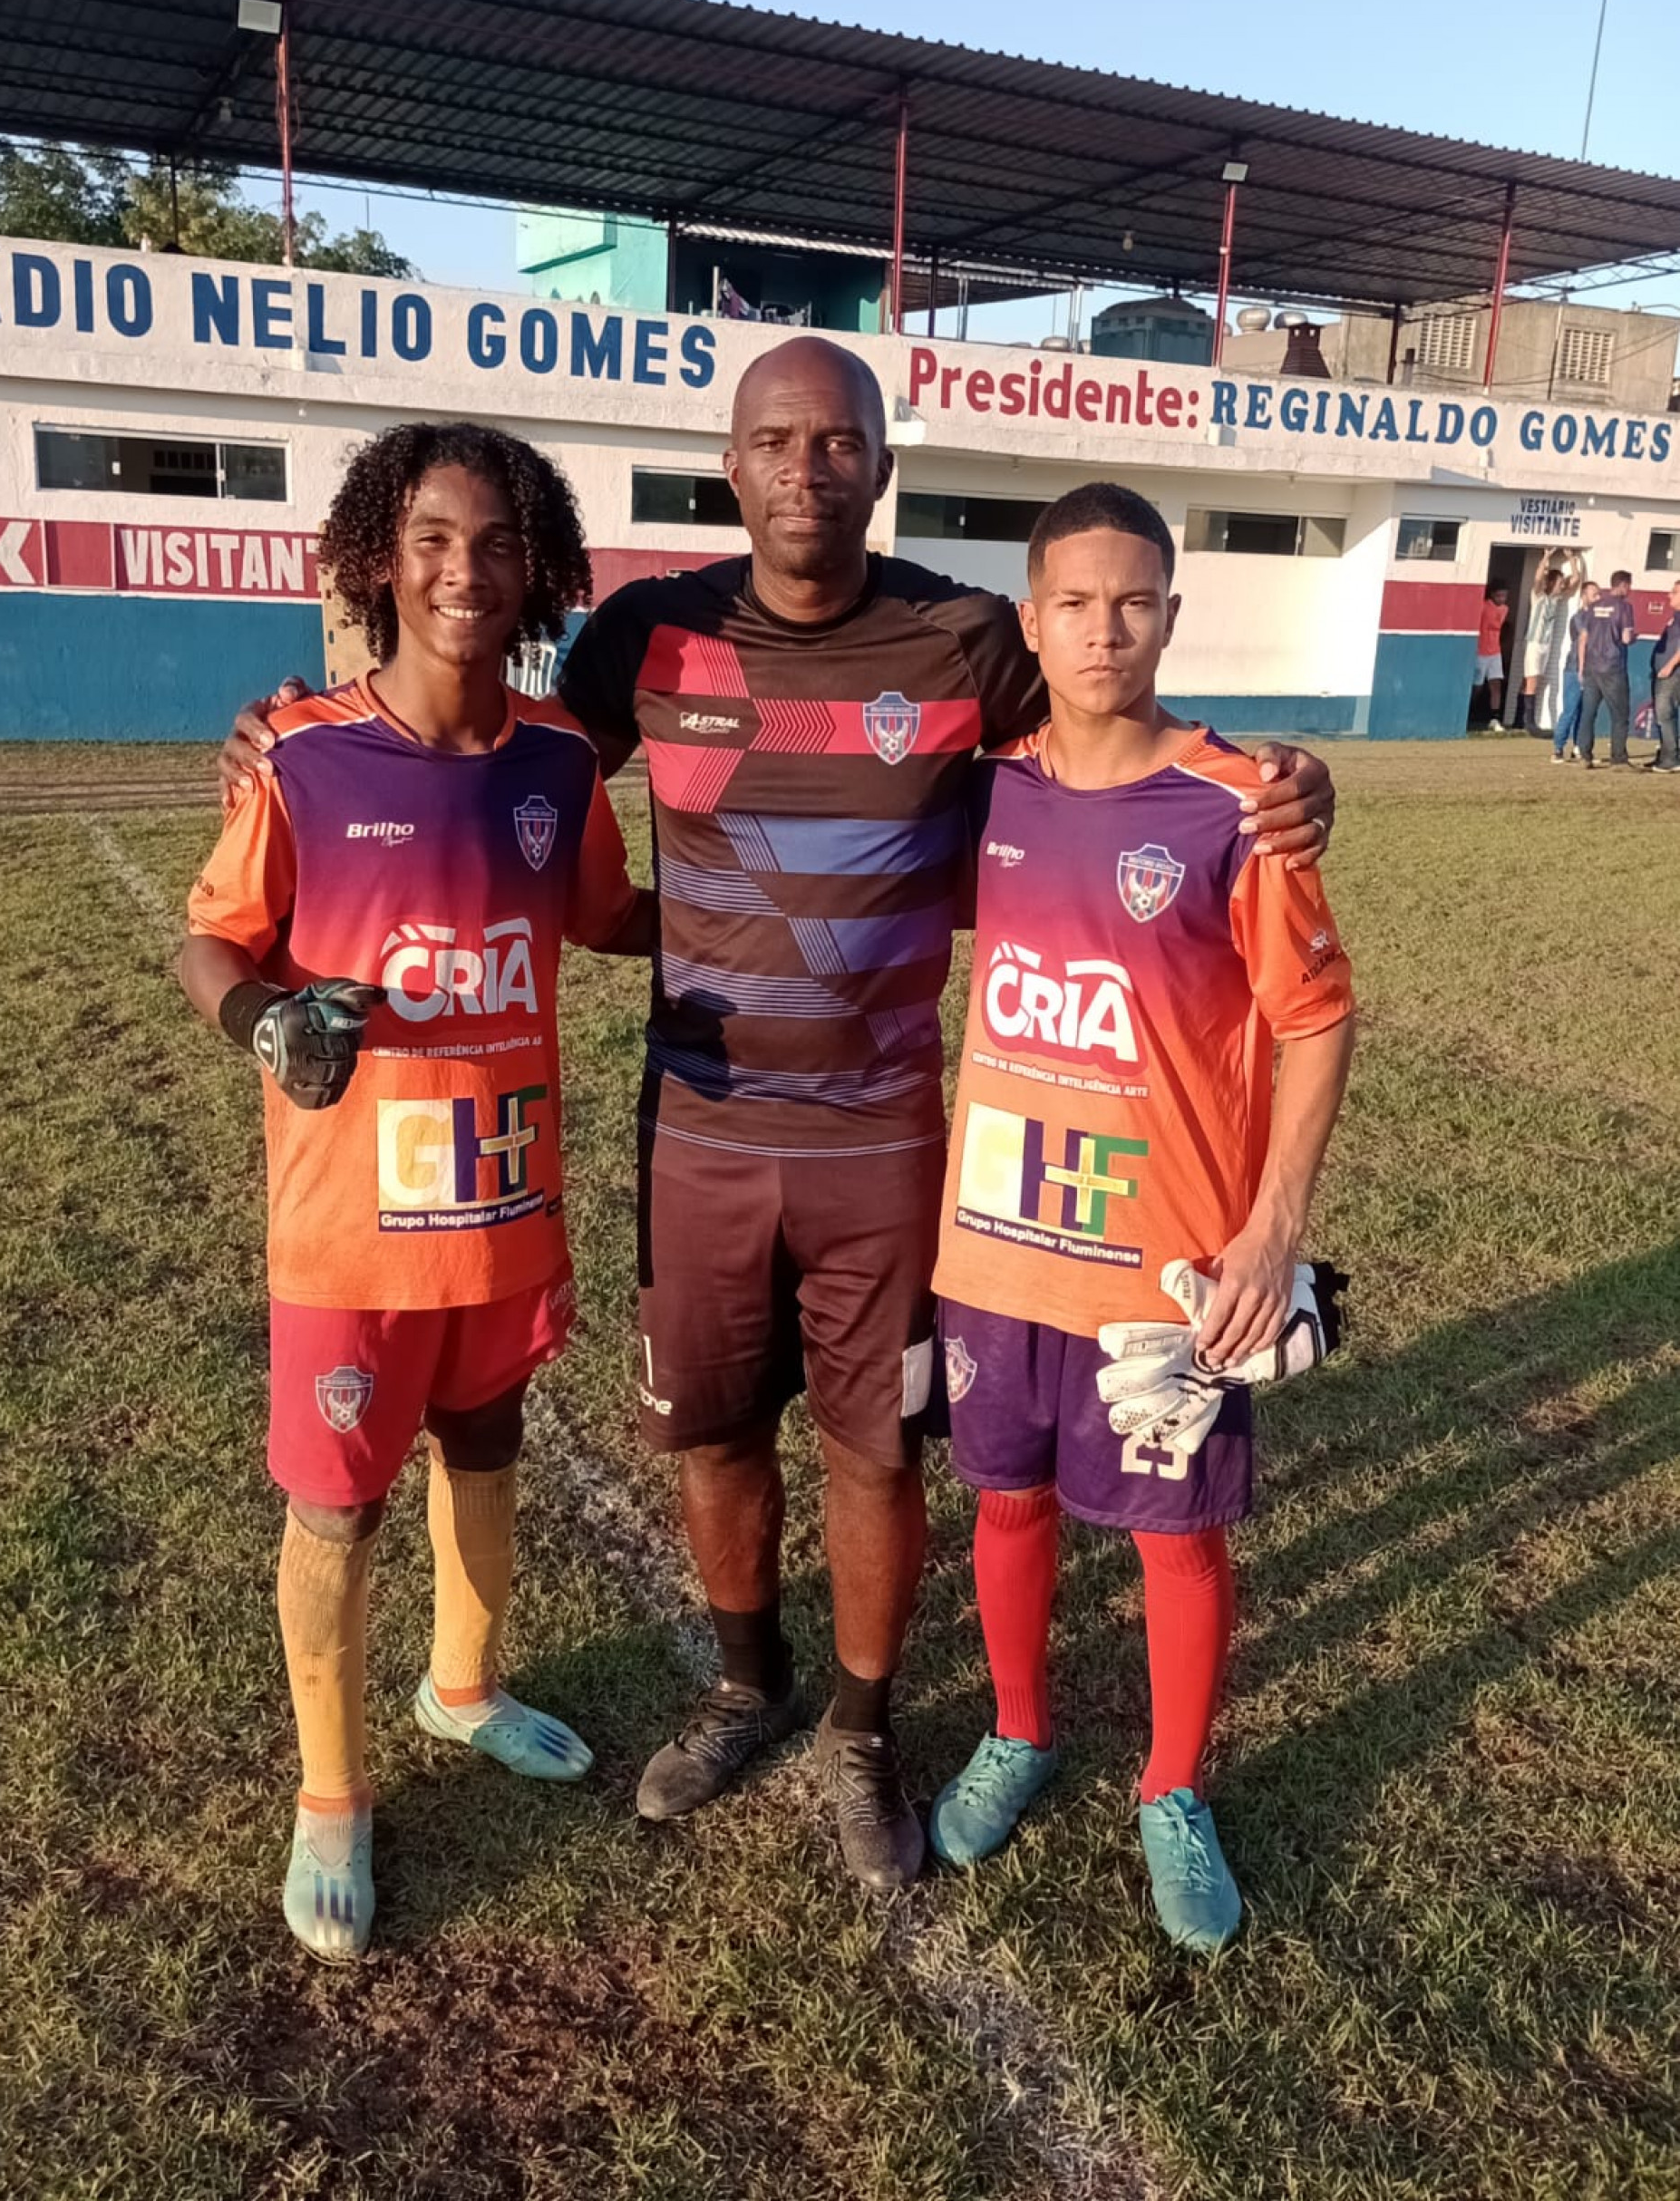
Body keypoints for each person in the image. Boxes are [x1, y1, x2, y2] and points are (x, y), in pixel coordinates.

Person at [218, 335, 1338, 1895]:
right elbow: (494, 757)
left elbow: (1112, 722)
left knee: (878, 1450)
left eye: (838, 441)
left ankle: (868, 1730)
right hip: (701, 1125)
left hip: (883, 1136)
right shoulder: (646, 637)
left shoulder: (962, 638)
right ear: (731, 464)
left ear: (881, 465)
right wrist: (301, 729)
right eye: (774, 440)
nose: (806, 467)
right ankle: (751, 1683)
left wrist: (1280, 783)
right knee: (711, 1432)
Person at [182, 422, 650, 1961]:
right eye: (437, 538)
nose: (467, 568)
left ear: (539, 573)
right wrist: (267, 1018)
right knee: (334, 1501)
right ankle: (331, 1794)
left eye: (500, 543)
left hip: (507, 1204)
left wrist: (772, 888)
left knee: (490, 1448)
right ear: (387, 555)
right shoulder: (301, 751)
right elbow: (215, 944)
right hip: (350, 1228)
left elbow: (606, 919)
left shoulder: (561, 759)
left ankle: (465, 1686)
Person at [926, 481, 1355, 1954]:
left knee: (1174, 1534)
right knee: (1006, 1500)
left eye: (1133, 600)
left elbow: (1316, 1019)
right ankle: (1021, 1729)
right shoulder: (979, 787)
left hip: (1163, 1269)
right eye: (1076, 601)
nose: (1105, 628)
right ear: (1031, 619)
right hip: (993, 1245)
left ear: (1171, 615)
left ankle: (1172, 1784)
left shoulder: (1240, 801)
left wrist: (1273, 1224)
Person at [1516, 550, 1580, 737]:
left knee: (1530, 680)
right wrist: (1546, 557)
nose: (1562, 586)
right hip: (1534, 642)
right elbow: (1538, 578)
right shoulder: (1539, 596)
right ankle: (1530, 723)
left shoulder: (1556, 599)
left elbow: (1575, 581)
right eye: (1559, 583)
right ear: (1551, 583)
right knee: (1533, 680)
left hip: (1546, 643)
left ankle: (1520, 718)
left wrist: (1571, 560)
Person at [1575, 575, 1634, 768]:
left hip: (1592, 666)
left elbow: (1584, 637)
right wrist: (1634, 637)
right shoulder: (1624, 607)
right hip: (1612, 666)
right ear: (1623, 585)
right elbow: (1626, 638)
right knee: (1620, 714)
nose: (1630, 590)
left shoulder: (1593, 607)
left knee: (1588, 713)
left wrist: (1581, 667)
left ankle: (1585, 755)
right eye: (1629, 586)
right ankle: (1618, 758)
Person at [1552, 580, 1596, 763]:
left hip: (1592, 670)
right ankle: (1558, 748)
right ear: (1584, 596)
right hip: (1574, 669)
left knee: (1585, 711)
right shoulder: (1578, 618)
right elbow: (1581, 640)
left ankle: (1579, 747)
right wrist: (1580, 668)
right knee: (1570, 709)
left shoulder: (1599, 618)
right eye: (1594, 595)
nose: (1598, 598)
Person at [1646, 580, 1680, 773]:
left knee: (1664, 714)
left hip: (1673, 674)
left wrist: (1669, 666)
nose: (1669, 595)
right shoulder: (1675, 617)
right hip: (1662, 673)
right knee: (1664, 716)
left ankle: (1671, 759)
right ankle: (1666, 755)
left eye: (1674, 592)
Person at [1475, 581, 1510, 732]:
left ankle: (1494, 717)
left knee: (1496, 684)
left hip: (1495, 651)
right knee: (1477, 686)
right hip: (1480, 651)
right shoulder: (1484, 606)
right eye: (1499, 595)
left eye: (1504, 596)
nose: (1502, 598)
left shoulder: (1504, 609)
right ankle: (1470, 710)